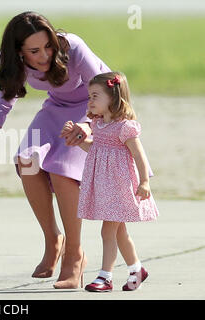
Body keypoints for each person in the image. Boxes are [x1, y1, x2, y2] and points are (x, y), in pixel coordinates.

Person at [0, 11, 110, 288]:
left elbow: (104, 88)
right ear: (19, 52)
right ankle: (53, 241)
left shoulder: (72, 47)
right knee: (27, 161)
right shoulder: (11, 61)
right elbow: (8, 93)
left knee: (62, 172)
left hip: (97, 109)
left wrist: (88, 125)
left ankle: (75, 255)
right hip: (56, 110)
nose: (45, 55)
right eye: (35, 51)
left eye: (48, 46)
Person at [60, 71, 159, 292]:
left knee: (108, 231)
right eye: (89, 96)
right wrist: (78, 140)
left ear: (113, 98)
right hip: (104, 185)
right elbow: (94, 150)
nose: (90, 101)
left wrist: (144, 182)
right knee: (119, 231)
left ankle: (105, 277)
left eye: (96, 96)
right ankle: (136, 269)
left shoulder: (125, 127)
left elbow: (139, 155)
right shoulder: (98, 125)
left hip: (119, 185)